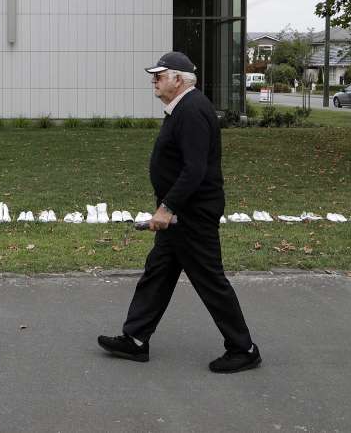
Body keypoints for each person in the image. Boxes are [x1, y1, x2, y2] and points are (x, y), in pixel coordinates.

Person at [97, 51, 261, 373]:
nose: (153, 81)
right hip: (179, 216)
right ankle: (135, 339)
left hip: (192, 215)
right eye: (153, 76)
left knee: (210, 281)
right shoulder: (182, 109)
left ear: (177, 79)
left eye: (158, 76)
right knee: (158, 273)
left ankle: (244, 348)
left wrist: (167, 207)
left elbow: (195, 169)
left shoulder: (192, 110)